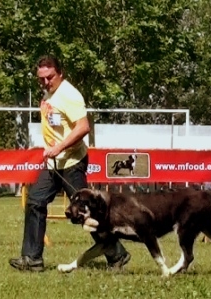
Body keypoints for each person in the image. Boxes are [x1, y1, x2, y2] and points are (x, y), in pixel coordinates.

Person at [9, 55, 130, 272]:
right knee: (35, 202)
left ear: (60, 73)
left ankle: (117, 255)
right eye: (41, 79)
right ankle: (32, 259)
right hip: (54, 164)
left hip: (72, 162)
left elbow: (83, 127)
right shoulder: (49, 93)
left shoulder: (70, 95)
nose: (45, 82)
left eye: (50, 77)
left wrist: (59, 147)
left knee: (86, 211)